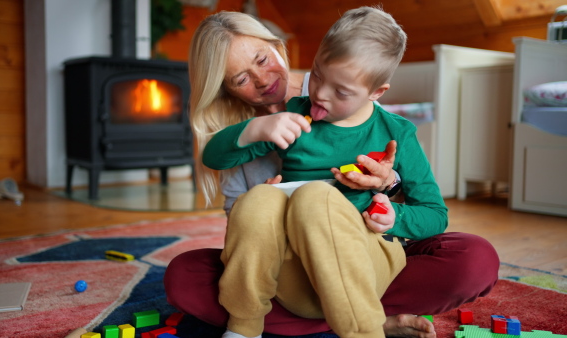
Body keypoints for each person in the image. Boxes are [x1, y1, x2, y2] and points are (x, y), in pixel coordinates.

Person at [164, 8, 499, 338]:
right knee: (189, 270)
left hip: (364, 256)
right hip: (290, 268)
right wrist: (257, 133)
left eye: (263, 60)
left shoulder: (383, 121)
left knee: (475, 258)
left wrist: (389, 197)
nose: (321, 94)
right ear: (226, 89)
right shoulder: (296, 117)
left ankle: (353, 322)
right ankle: (345, 318)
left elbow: (432, 212)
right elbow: (218, 160)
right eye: (241, 79)